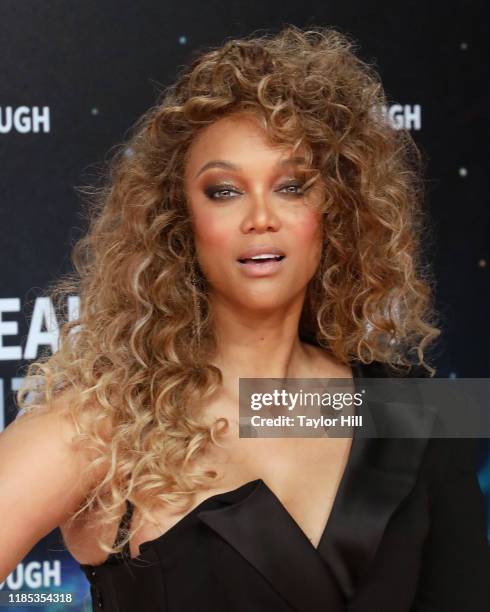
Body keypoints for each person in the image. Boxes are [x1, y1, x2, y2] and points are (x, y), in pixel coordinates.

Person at [1, 24, 489, 611]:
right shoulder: (109, 423)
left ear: (335, 206)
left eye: (291, 185)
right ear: (178, 219)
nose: (261, 217)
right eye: (225, 191)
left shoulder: (420, 416)